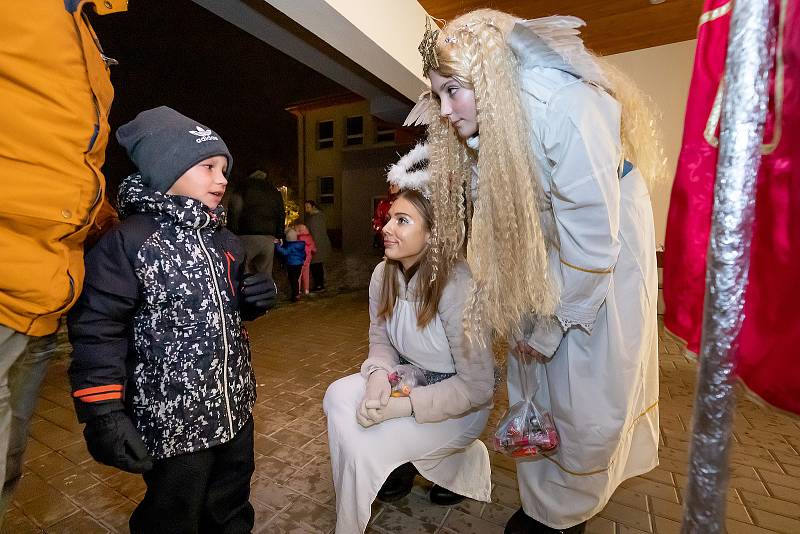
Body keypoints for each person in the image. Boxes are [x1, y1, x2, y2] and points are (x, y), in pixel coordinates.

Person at [415, 10, 662, 533]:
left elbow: (593, 242)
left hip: (599, 254)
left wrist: (549, 325)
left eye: (452, 92)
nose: (444, 110)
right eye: (437, 95)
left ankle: (565, 514)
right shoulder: (490, 118)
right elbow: (497, 218)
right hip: (548, 244)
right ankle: (544, 502)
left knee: (585, 379)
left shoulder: (566, 105)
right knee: (537, 377)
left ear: (488, 77)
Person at [67, 106, 277, 533]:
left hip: (234, 409)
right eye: (208, 167)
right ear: (167, 170)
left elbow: (232, 305)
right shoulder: (129, 242)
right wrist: (103, 411)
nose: (222, 179)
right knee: (174, 514)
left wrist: (255, 298)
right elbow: (97, 330)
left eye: (224, 169)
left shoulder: (225, 239)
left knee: (231, 506)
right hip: (172, 420)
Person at [0, 0, 127, 525]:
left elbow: (59, 154)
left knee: (9, 461)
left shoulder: (83, 26)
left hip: (46, 294)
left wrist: (108, 221)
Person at [323, 159, 496, 533]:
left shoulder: (458, 286)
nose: (386, 228)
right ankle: (397, 463)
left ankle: (352, 522)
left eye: (402, 221)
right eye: (389, 218)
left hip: (457, 407)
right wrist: (376, 379)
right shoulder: (382, 274)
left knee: (365, 443)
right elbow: (380, 341)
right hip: (407, 380)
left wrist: (399, 408)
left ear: (433, 234)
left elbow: (478, 387)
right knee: (337, 395)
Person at [229, 170, 286, 280]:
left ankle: (244, 295)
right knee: (265, 274)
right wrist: (279, 234)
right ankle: (265, 296)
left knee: (242, 271)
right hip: (268, 237)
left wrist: (232, 232)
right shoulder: (273, 190)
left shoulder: (242, 188)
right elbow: (280, 213)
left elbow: (234, 209)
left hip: (246, 235)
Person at [303, 200, 332, 292]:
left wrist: (311, 245)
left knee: (316, 265)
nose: (306, 210)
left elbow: (315, 233)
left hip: (316, 244)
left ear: (313, 207)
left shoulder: (314, 219)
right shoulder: (318, 217)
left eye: (308, 207)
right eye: (306, 207)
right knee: (317, 265)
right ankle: (320, 284)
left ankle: (319, 285)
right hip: (318, 244)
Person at [275, 226, 306, 302]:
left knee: (293, 280)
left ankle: (295, 295)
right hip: (299, 264)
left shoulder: (290, 246)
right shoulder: (300, 245)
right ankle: (296, 294)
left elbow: (284, 252)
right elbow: (304, 254)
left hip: (292, 265)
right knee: (296, 279)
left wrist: (277, 245)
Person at [372, 183, 400, 248]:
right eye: (389, 185)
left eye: (393, 185)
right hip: (386, 239)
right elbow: (377, 220)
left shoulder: (408, 203)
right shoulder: (383, 204)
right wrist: (381, 231)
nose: (390, 188)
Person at [294, 223, 317, 295]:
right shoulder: (309, 237)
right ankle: (306, 290)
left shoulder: (297, 238)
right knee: (306, 274)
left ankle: (298, 290)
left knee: (299, 275)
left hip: (300, 259)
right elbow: (314, 249)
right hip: (308, 259)